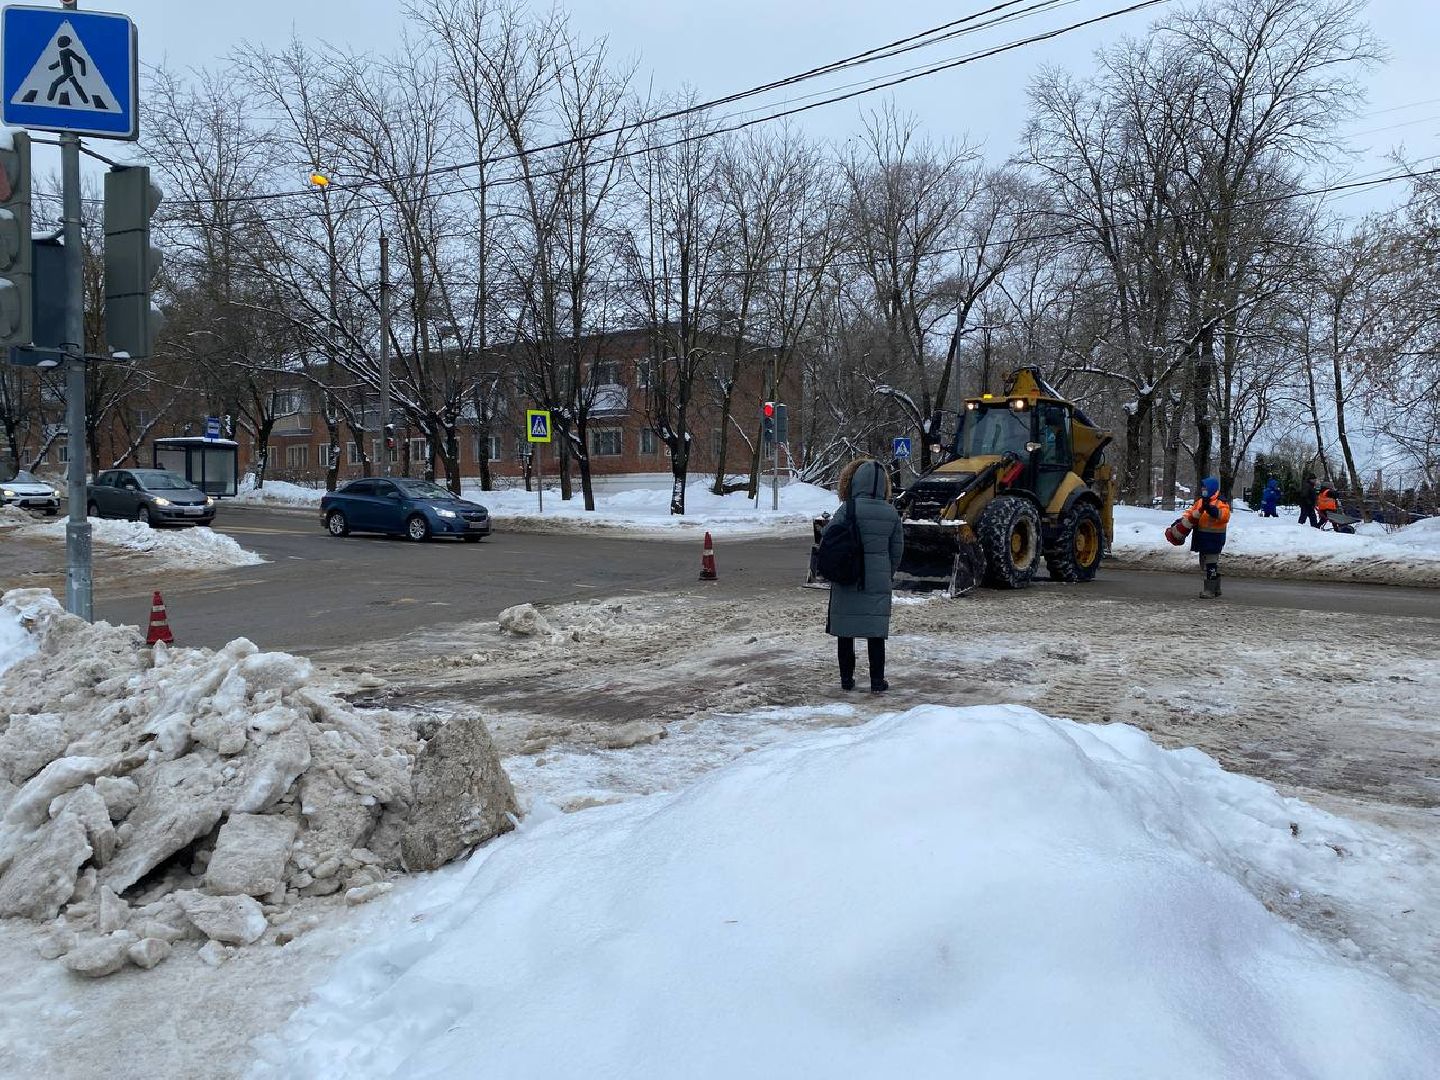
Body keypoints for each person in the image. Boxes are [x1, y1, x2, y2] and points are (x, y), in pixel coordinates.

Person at [823, 458, 904, 692]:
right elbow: (897, 550)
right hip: (877, 580)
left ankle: (846, 680)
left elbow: (829, 536)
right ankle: (877, 681)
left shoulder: (847, 508)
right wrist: (886, 574)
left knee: (845, 633)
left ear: (855, 482)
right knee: (876, 634)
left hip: (848, 576)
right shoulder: (890, 513)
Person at [1187, 476, 1231, 599]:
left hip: (1215, 539)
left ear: (1212, 488)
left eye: (1205, 488)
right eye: (1202, 488)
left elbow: (1224, 516)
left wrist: (1212, 510)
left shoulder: (1221, 502)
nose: (1203, 490)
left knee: (1210, 564)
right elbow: (1191, 513)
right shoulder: (1201, 501)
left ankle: (1210, 590)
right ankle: (1216, 588)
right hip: (1202, 538)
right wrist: (1184, 520)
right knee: (1206, 564)